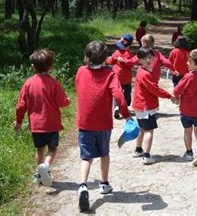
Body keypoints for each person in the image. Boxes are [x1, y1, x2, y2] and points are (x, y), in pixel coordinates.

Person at [75, 41, 131, 212]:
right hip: (103, 124)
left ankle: (83, 185)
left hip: (85, 122)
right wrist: (127, 115)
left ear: (87, 56)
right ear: (106, 57)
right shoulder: (110, 74)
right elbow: (119, 97)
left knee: (86, 157)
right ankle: (104, 184)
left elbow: (77, 86)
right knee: (104, 153)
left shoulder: (81, 71)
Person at [14, 49, 71, 187]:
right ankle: (46, 166)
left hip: (36, 125)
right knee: (52, 149)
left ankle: (38, 174)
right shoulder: (54, 83)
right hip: (52, 124)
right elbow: (62, 102)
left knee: (39, 149)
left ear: (33, 67)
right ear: (51, 67)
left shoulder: (28, 83)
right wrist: (67, 101)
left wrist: (19, 121)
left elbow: (21, 105)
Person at [131, 47, 176, 165]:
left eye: (150, 57)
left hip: (140, 106)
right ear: (139, 60)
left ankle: (138, 149)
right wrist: (169, 96)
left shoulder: (142, 71)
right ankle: (146, 156)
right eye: (145, 58)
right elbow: (154, 90)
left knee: (142, 128)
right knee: (149, 131)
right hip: (145, 106)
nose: (149, 60)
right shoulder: (145, 74)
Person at [173, 48, 197, 166]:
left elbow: (176, 90)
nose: (187, 63)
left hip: (186, 111)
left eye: (190, 61)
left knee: (187, 131)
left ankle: (189, 153)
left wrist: (177, 97)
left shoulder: (188, 76)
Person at [106, 33, 135, 119]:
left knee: (117, 93)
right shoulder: (130, 55)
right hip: (127, 79)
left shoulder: (116, 53)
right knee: (127, 93)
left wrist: (107, 59)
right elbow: (132, 64)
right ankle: (125, 106)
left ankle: (116, 107)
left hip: (117, 77)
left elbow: (110, 62)